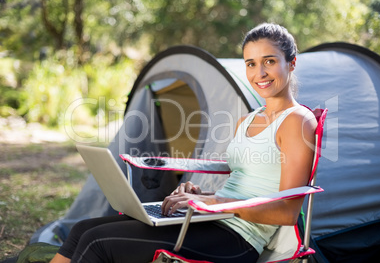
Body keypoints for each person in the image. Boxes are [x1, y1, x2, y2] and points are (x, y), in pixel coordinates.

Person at [50, 23, 317, 263]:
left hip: (238, 239)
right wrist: (198, 195)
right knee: (82, 230)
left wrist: (211, 202)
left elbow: (286, 212)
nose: (260, 73)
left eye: (269, 61)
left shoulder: (296, 121)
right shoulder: (247, 120)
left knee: (97, 243)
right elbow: (245, 181)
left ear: (291, 63)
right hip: (214, 219)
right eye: (251, 63)